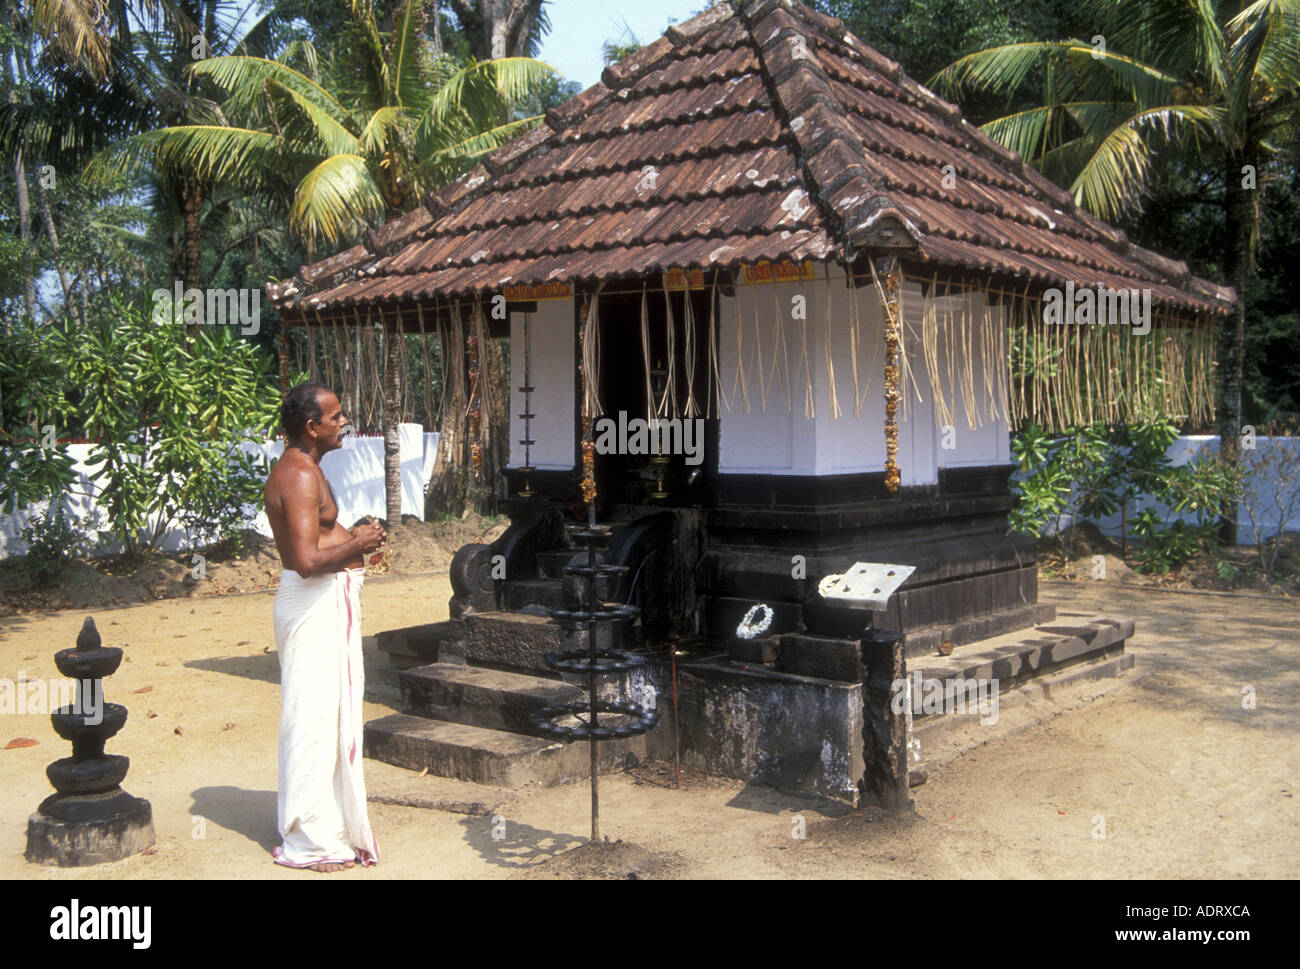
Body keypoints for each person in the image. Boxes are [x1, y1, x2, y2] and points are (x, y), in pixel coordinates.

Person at [263, 382, 386, 872]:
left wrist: (355, 540)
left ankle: (327, 825)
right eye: (335, 417)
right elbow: (306, 560)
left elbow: (316, 542)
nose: (343, 422)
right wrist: (359, 541)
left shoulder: (308, 468)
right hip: (311, 605)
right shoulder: (296, 476)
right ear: (312, 427)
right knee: (312, 720)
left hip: (325, 605)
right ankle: (309, 842)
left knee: (329, 717)